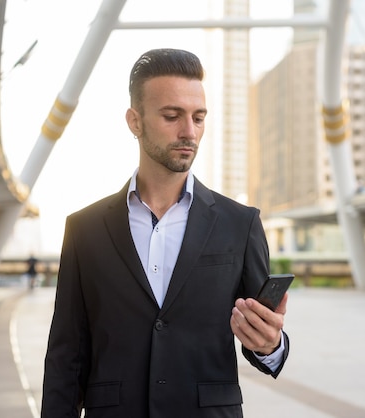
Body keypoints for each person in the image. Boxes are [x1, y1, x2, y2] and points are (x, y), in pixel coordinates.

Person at [41, 48, 289, 418]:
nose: (189, 132)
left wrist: (271, 345)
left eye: (199, 117)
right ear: (134, 121)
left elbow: (262, 348)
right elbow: (66, 358)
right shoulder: (85, 230)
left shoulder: (241, 223)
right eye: (172, 116)